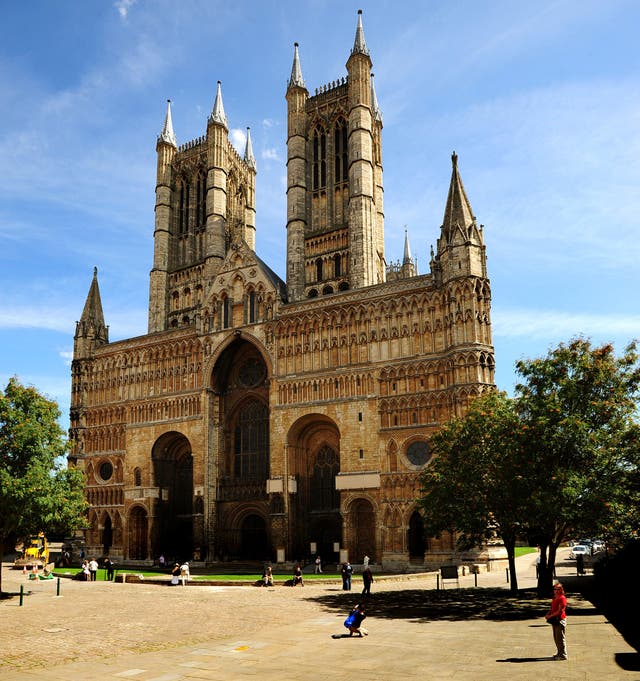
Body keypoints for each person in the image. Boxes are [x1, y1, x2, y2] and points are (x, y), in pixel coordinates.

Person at [545, 582, 568, 660]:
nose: (557, 591)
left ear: (561, 590)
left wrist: (550, 616)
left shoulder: (562, 598)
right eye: (555, 589)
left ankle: (563, 655)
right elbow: (552, 608)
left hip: (560, 620)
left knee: (560, 638)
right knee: (556, 638)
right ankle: (559, 653)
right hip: (554, 620)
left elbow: (560, 611)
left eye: (558, 589)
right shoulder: (555, 597)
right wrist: (548, 613)